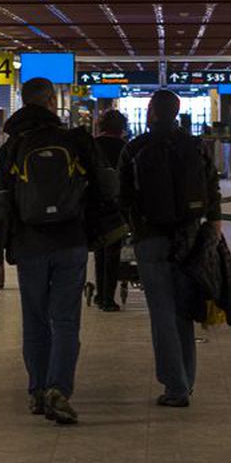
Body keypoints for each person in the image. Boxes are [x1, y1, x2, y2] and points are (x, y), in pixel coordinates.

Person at [0, 78, 106, 425]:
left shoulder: (12, 149)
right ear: (52, 102)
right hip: (70, 242)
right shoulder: (73, 141)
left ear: (24, 103)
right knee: (66, 321)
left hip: (29, 245)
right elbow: (101, 189)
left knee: (35, 319)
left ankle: (38, 391)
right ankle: (58, 389)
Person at [118, 89, 221, 409]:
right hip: (188, 235)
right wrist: (213, 222)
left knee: (161, 312)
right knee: (183, 312)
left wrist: (133, 226)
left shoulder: (134, 148)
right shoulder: (195, 146)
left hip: (150, 237)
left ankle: (174, 386)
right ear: (177, 113)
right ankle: (185, 381)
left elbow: (123, 197)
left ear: (151, 112)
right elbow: (211, 185)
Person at [92, 110, 130, 312]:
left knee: (99, 250)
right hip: (117, 207)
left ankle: (100, 294)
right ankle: (108, 297)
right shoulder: (126, 148)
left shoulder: (93, 146)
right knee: (113, 252)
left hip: (95, 206)